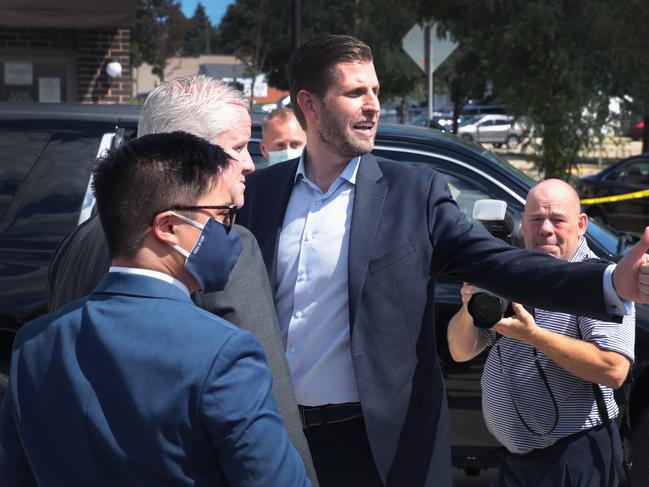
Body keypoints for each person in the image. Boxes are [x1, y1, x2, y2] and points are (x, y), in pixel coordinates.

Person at [236, 34, 649, 487]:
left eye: (376, 91)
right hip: (278, 438)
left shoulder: (414, 193)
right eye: (356, 92)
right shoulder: (258, 196)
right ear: (309, 105)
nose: (373, 105)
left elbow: (501, 264)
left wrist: (610, 282)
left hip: (379, 449)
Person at [46, 75, 317, 484]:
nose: (249, 163)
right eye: (238, 147)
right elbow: (269, 410)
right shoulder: (220, 245)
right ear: (182, 153)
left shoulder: (75, 241)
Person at [447, 179, 635, 486]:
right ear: (522, 224)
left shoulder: (597, 282)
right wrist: (469, 306)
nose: (546, 229)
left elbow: (613, 369)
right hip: (514, 461)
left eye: (558, 220)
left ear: (581, 224)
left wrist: (533, 336)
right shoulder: (510, 273)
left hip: (575, 457)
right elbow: (460, 350)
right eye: (536, 219)